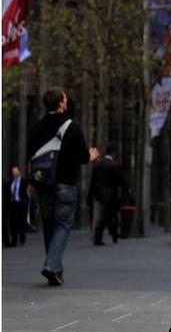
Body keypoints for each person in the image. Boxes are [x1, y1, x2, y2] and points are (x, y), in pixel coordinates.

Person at [29, 87, 98, 286]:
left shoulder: (38, 126)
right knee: (63, 225)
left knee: (49, 226)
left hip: (43, 183)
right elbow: (83, 157)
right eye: (65, 98)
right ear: (61, 103)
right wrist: (91, 156)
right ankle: (51, 265)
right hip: (65, 183)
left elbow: (31, 156)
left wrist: (31, 182)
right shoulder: (72, 127)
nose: (67, 101)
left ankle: (56, 272)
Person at [88, 143, 129, 246]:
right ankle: (100, 236)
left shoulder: (97, 164)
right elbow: (122, 181)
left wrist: (90, 195)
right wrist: (126, 190)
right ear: (114, 153)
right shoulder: (115, 165)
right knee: (107, 215)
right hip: (111, 194)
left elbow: (93, 181)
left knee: (109, 214)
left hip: (100, 194)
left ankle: (113, 233)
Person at [8, 166, 29, 247]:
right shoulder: (11, 181)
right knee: (13, 223)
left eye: (16, 171)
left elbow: (27, 192)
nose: (14, 173)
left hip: (20, 204)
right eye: (13, 172)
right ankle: (13, 240)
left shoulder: (24, 181)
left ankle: (22, 239)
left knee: (20, 223)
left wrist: (25, 201)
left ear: (19, 172)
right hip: (13, 204)